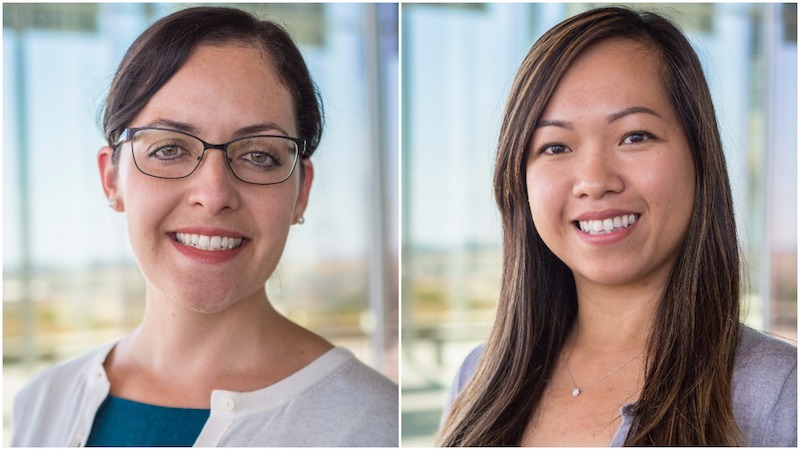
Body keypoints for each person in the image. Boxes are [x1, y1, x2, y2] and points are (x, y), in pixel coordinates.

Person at [11, 6, 397, 447]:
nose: (213, 196)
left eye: (258, 155)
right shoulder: (41, 405)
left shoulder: (373, 426)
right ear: (111, 179)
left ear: (301, 192)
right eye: (170, 148)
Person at [437, 6, 796, 447]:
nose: (594, 181)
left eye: (635, 136)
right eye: (555, 146)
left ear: (699, 157)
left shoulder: (781, 395)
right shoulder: (477, 378)